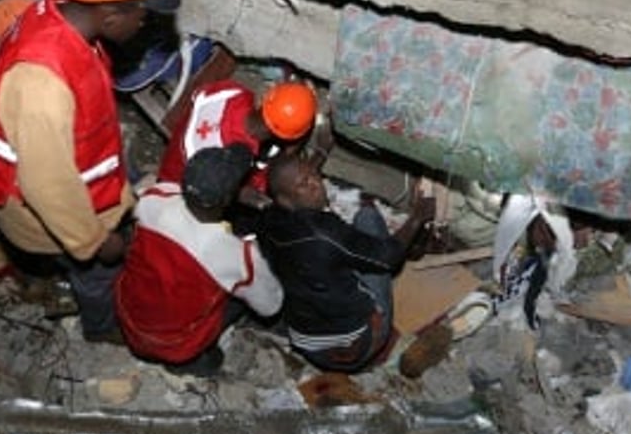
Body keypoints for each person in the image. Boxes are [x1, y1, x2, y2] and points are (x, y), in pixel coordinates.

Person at [0, 0, 180, 340]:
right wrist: (95, 242)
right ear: (110, 15)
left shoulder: (57, 13)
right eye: (142, 13)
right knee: (98, 281)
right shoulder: (41, 83)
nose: (145, 22)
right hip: (53, 221)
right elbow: (47, 186)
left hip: (78, 195)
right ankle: (103, 331)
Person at [114, 143, 283, 376]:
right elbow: (271, 306)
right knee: (246, 292)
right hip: (174, 344)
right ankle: (185, 361)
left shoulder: (155, 198)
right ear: (227, 200)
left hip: (129, 317)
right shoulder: (236, 255)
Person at [258, 152, 434, 373]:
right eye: (304, 184)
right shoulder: (323, 233)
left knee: (333, 263)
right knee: (368, 219)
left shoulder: (267, 220)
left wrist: (319, 153)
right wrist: (418, 216)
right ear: (285, 199)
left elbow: (296, 180)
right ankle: (420, 244)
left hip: (307, 343)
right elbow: (388, 257)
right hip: (357, 346)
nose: (316, 185)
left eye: (314, 175)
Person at [156, 79, 319, 206]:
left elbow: (199, 94)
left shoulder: (233, 92)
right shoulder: (237, 161)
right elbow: (257, 187)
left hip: (173, 159)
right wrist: (293, 150)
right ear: (288, 138)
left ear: (265, 97)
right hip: (180, 193)